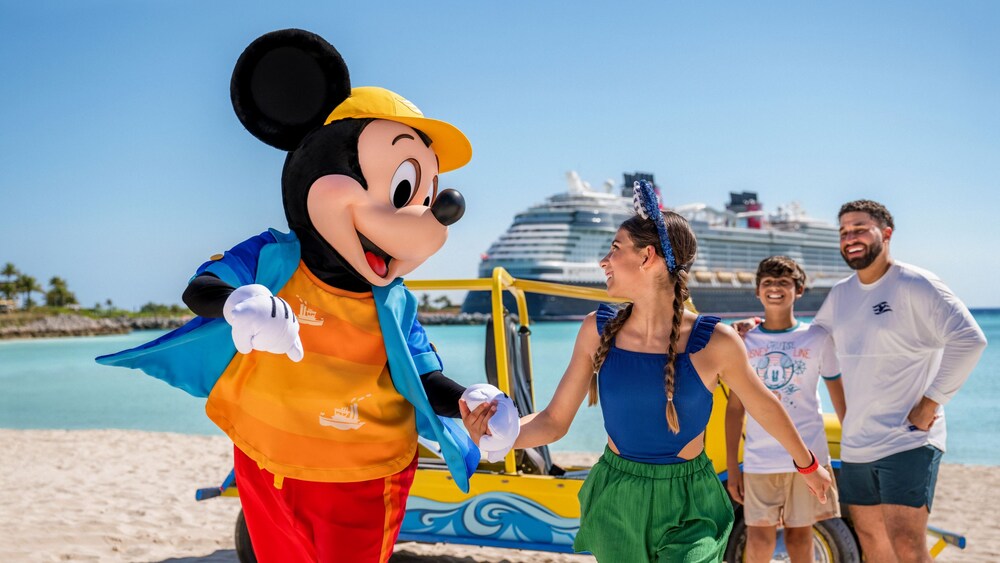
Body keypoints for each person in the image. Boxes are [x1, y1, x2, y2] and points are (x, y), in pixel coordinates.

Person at [463, 181, 833, 563]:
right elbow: (555, 421)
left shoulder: (716, 341)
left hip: (691, 501)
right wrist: (496, 435)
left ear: (647, 257)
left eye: (614, 249)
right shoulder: (597, 328)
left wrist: (808, 465)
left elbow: (764, 405)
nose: (603, 262)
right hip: (617, 494)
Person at [811, 199, 987, 562]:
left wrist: (930, 403)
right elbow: (812, 343)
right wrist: (753, 330)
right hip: (858, 443)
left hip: (908, 440)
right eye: (844, 232)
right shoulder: (841, 294)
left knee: (907, 546)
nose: (850, 238)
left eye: (859, 229)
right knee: (872, 543)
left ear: (886, 233)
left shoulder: (915, 283)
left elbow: (970, 340)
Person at [725, 256, 846, 563]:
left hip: (809, 454)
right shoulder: (744, 340)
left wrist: (855, 441)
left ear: (799, 290)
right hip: (759, 457)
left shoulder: (817, 337)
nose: (775, 288)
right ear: (757, 292)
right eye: (767, 283)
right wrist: (731, 464)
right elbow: (735, 407)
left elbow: (838, 395)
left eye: (783, 283)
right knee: (759, 536)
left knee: (801, 535)